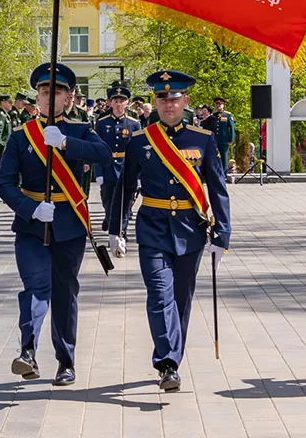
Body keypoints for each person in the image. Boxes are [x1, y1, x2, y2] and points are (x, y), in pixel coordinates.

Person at [110, 70, 231, 392]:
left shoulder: (202, 139)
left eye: (174, 98)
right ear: (155, 101)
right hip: (152, 228)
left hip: (190, 230)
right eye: (162, 98)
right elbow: (124, 188)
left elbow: (218, 189)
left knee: (181, 300)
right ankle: (167, 363)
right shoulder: (140, 141)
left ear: (185, 101)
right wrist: (115, 229)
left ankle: (171, 358)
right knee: (159, 296)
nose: (168, 103)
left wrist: (223, 235)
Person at [0, 62, 112, 387]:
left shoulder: (79, 130)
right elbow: (4, 182)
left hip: (69, 224)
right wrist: (30, 208)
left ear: (69, 98)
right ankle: (28, 350)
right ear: (36, 97)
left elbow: (104, 154)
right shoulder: (20, 136)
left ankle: (65, 360)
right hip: (32, 224)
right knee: (35, 287)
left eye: (57, 91)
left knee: (64, 291)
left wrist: (64, 143)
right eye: (44, 91)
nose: (49, 97)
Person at [94, 81, 141, 242]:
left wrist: (140, 174)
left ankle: (121, 231)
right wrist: (98, 172)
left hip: (127, 167)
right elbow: (97, 148)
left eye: (122, 101)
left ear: (127, 103)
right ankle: (111, 221)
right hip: (107, 167)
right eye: (116, 101)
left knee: (126, 202)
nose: (119, 104)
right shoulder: (102, 123)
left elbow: (138, 150)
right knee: (108, 202)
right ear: (110, 103)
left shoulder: (134, 124)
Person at [211, 97, 236, 175]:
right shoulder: (213, 115)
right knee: (214, 157)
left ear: (223, 105)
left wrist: (231, 139)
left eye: (220, 104)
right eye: (217, 104)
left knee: (224, 158)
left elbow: (231, 128)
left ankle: (224, 174)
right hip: (215, 140)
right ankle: (216, 173)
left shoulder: (228, 115)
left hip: (224, 140)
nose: (218, 106)